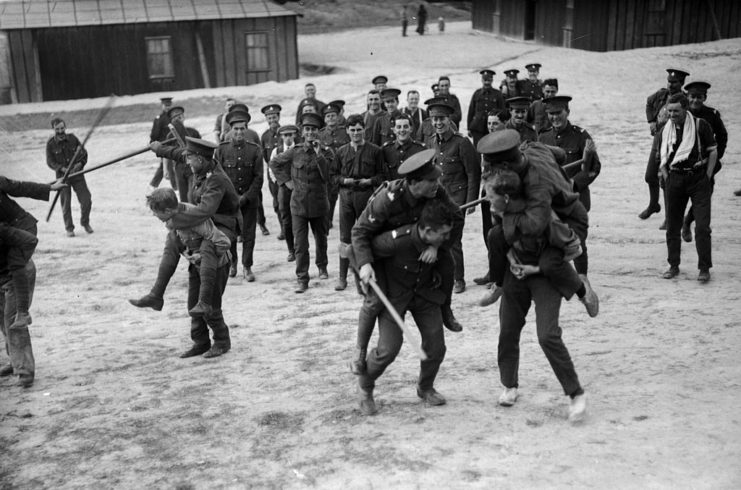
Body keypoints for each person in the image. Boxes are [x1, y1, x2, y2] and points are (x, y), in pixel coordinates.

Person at [350, 149, 464, 378]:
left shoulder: (436, 192)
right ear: (413, 183)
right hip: (382, 255)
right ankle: (360, 350)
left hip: (422, 248)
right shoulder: (388, 199)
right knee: (374, 301)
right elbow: (360, 232)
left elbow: (456, 218)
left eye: (437, 179)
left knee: (447, 262)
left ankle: (446, 309)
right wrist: (365, 264)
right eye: (431, 180)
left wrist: (436, 246)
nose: (437, 184)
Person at [129, 137, 239, 360]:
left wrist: (174, 219)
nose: (187, 162)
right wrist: (159, 148)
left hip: (221, 226)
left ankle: (221, 341)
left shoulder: (216, 179)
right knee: (173, 244)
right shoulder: (200, 164)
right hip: (199, 226)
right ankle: (158, 297)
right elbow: (179, 153)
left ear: (200, 158)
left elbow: (205, 211)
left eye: (191, 159)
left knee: (208, 271)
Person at [476, 130, 597, 312]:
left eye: (495, 169)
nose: (493, 173)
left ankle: (584, 293)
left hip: (566, 218)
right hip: (542, 215)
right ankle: (498, 284)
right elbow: (561, 155)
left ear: (506, 165)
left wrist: (503, 213)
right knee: (495, 236)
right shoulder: (533, 147)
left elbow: (535, 225)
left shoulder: (536, 185)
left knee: (550, 262)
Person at [356, 199, 456, 415]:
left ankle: (425, 387)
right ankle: (365, 386)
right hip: (394, 296)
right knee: (388, 350)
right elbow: (361, 251)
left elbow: (447, 250)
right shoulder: (395, 241)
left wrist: (436, 246)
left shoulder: (437, 241)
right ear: (428, 231)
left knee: (436, 346)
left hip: (424, 295)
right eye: (443, 235)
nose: (448, 239)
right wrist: (364, 269)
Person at [0, 176, 66, 387]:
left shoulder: (6, 231)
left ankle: (24, 370)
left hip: (17, 267)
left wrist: (48, 188)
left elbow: (28, 240)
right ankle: (16, 360)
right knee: (3, 317)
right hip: (3, 269)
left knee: (13, 318)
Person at [538, 95, 600, 280]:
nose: (554, 117)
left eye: (558, 113)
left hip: (576, 199)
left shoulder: (581, 136)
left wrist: (574, 183)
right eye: (551, 114)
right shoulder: (543, 137)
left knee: (577, 238)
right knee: (552, 238)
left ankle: (582, 278)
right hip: (551, 200)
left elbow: (594, 168)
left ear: (567, 112)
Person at [270, 113, 334, 293]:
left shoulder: (326, 152)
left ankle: (322, 266)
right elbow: (274, 163)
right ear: (302, 132)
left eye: (314, 130)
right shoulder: (295, 151)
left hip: (319, 204)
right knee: (300, 244)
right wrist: (285, 182)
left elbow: (328, 175)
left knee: (321, 239)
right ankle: (302, 278)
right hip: (298, 205)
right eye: (307, 130)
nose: (311, 133)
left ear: (318, 132)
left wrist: (318, 153)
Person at [656, 93, 717, 282]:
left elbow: (713, 152)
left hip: (698, 179)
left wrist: (707, 176)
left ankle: (704, 268)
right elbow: (660, 158)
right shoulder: (664, 130)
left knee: (703, 227)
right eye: (670, 110)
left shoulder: (700, 125)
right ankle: (673, 266)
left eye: (676, 111)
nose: (672, 114)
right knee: (672, 226)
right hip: (675, 179)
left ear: (685, 109)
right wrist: (667, 178)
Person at [146, 188, 231, 319]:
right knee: (194, 311)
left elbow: (223, 242)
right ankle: (156, 295)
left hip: (217, 268)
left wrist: (203, 256)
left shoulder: (192, 217)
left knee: (212, 313)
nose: (154, 215)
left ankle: (221, 340)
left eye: (155, 212)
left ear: (167, 211)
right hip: (197, 267)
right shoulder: (174, 218)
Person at [425, 101, 480, 294]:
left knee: (454, 240)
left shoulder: (462, 143)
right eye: (435, 119)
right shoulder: (431, 141)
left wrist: (471, 201)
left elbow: (473, 173)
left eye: (441, 119)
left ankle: (458, 279)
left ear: (449, 120)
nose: (438, 122)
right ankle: (440, 276)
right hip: (437, 199)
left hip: (458, 199)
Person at [333, 114, 385, 291]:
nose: (356, 133)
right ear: (347, 131)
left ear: (364, 130)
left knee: (368, 235)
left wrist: (369, 182)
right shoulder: (340, 152)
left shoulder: (375, 151)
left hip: (367, 197)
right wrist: (345, 181)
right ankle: (342, 278)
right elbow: (333, 176)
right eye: (352, 130)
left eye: (359, 130)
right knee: (345, 238)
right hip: (347, 197)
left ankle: (373, 275)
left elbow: (382, 176)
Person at [214, 110, 263, 281]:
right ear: (230, 130)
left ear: (246, 129)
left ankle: (247, 266)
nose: (239, 132)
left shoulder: (255, 150)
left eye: (242, 129)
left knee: (249, 234)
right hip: (228, 202)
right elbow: (218, 177)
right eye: (236, 129)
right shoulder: (221, 150)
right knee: (230, 234)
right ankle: (233, 263)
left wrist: (247, 197)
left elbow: (258, 178)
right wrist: (232, 198)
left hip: (249, 201)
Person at [640, 68, 689, 223]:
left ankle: (669, 218)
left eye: (674, 82)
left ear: (681, 83)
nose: (670, 85)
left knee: (666, 182)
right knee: (649, 176)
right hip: (658, 141)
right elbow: (649, 102)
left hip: (673, 145)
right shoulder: (661, 95)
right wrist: (652, 122)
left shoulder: (684, 100)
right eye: (669, 81)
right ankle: (654, 204)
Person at [681, 81, 727, 243]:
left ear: (705, 97)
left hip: (706, 164)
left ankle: (689, 222)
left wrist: (715, 158)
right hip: (684, 165)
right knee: (680, 198)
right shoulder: (681, 113)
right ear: (687, 97)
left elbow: (722, 136)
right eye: (692, 97)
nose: (695, 100)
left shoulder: (712, 115)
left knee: (704, 197)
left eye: (699, 97)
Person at [46, 117, 93, 237]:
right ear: (53, 129)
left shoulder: (73, 139)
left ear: (65, 127)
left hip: (77, 175)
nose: (60, 131)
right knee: (66, 203)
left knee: (86, 199)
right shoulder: (50, 144)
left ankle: (85, 222)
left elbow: (84, 154)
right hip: (62, 178)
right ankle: (69, 228)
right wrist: (62, 169)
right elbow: (50, 162)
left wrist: (79, 165)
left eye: (62, 128)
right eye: (57, 129)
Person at [271, 125, 300, 263]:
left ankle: (300, 248)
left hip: (300, 189)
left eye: (290, 135)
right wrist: (283, 182)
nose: (288, 138)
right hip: (284, 189)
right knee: (286, 220)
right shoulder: (276, 151)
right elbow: (272, 170)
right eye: (285, 135)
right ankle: (291, 250)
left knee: (301, 218)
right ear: (281, 137)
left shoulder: (299, 149)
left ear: (294, 135)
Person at [320, 103, 350, 230]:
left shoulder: (345, 132)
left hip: (344, 170)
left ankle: (347, 222)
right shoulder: (320, 135)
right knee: (329, 197)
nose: (331, 118)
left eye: (333, 116)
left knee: (346, 197)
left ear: (338, 117)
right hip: (329, 171)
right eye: (328, 116)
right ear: (325, 119)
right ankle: (328, 220)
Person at [165, 105, 201, 202]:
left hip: (192, 167)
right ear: (172, 121)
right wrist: (166, 170)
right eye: (175, 118)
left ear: (183, 117)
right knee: (183, 196)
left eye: (180, 117)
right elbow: (166, 155)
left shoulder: (193, 132)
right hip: (179, 168)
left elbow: (201, 149)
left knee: (192, 195)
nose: (178, 120)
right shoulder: (170, 136)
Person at [260, 104, 284, 239]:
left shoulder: (286, 132)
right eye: (269, 118)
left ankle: (291, 228)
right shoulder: (264, 136)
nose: (272, 120)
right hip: (273, 175)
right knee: (276, 202)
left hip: (287, 174)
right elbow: (265, 156)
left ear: (278, 117)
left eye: (274, 117)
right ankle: (283, 228)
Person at [467, 69, 506, 146]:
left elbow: (502, 111)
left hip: (492, 128)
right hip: (478, 128)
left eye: (489, 80)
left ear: (492, 80)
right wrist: (469, 127)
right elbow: (471, 111)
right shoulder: (477, 93)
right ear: (482, 80)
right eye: (485, 80)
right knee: (478, 150)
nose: (487, 82)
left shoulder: (497, 94)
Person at [382, 113, 426, 181]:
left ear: (411, 129)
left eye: (405, 126)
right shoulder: (386, 150)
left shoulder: (420, 150)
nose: (402, 130)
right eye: (399, 127)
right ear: (394, 130)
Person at [148, 96, 177, 192]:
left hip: (173, 144)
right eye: (166, 105)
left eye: (169, 105)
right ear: (162, 106)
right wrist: (153, 143)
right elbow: (155, 133)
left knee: (165, 166)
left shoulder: (174, 117)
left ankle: (153, 185)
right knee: (167, 166)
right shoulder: (159, 119)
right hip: (163, 145)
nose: (168, 107)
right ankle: (175, 187)